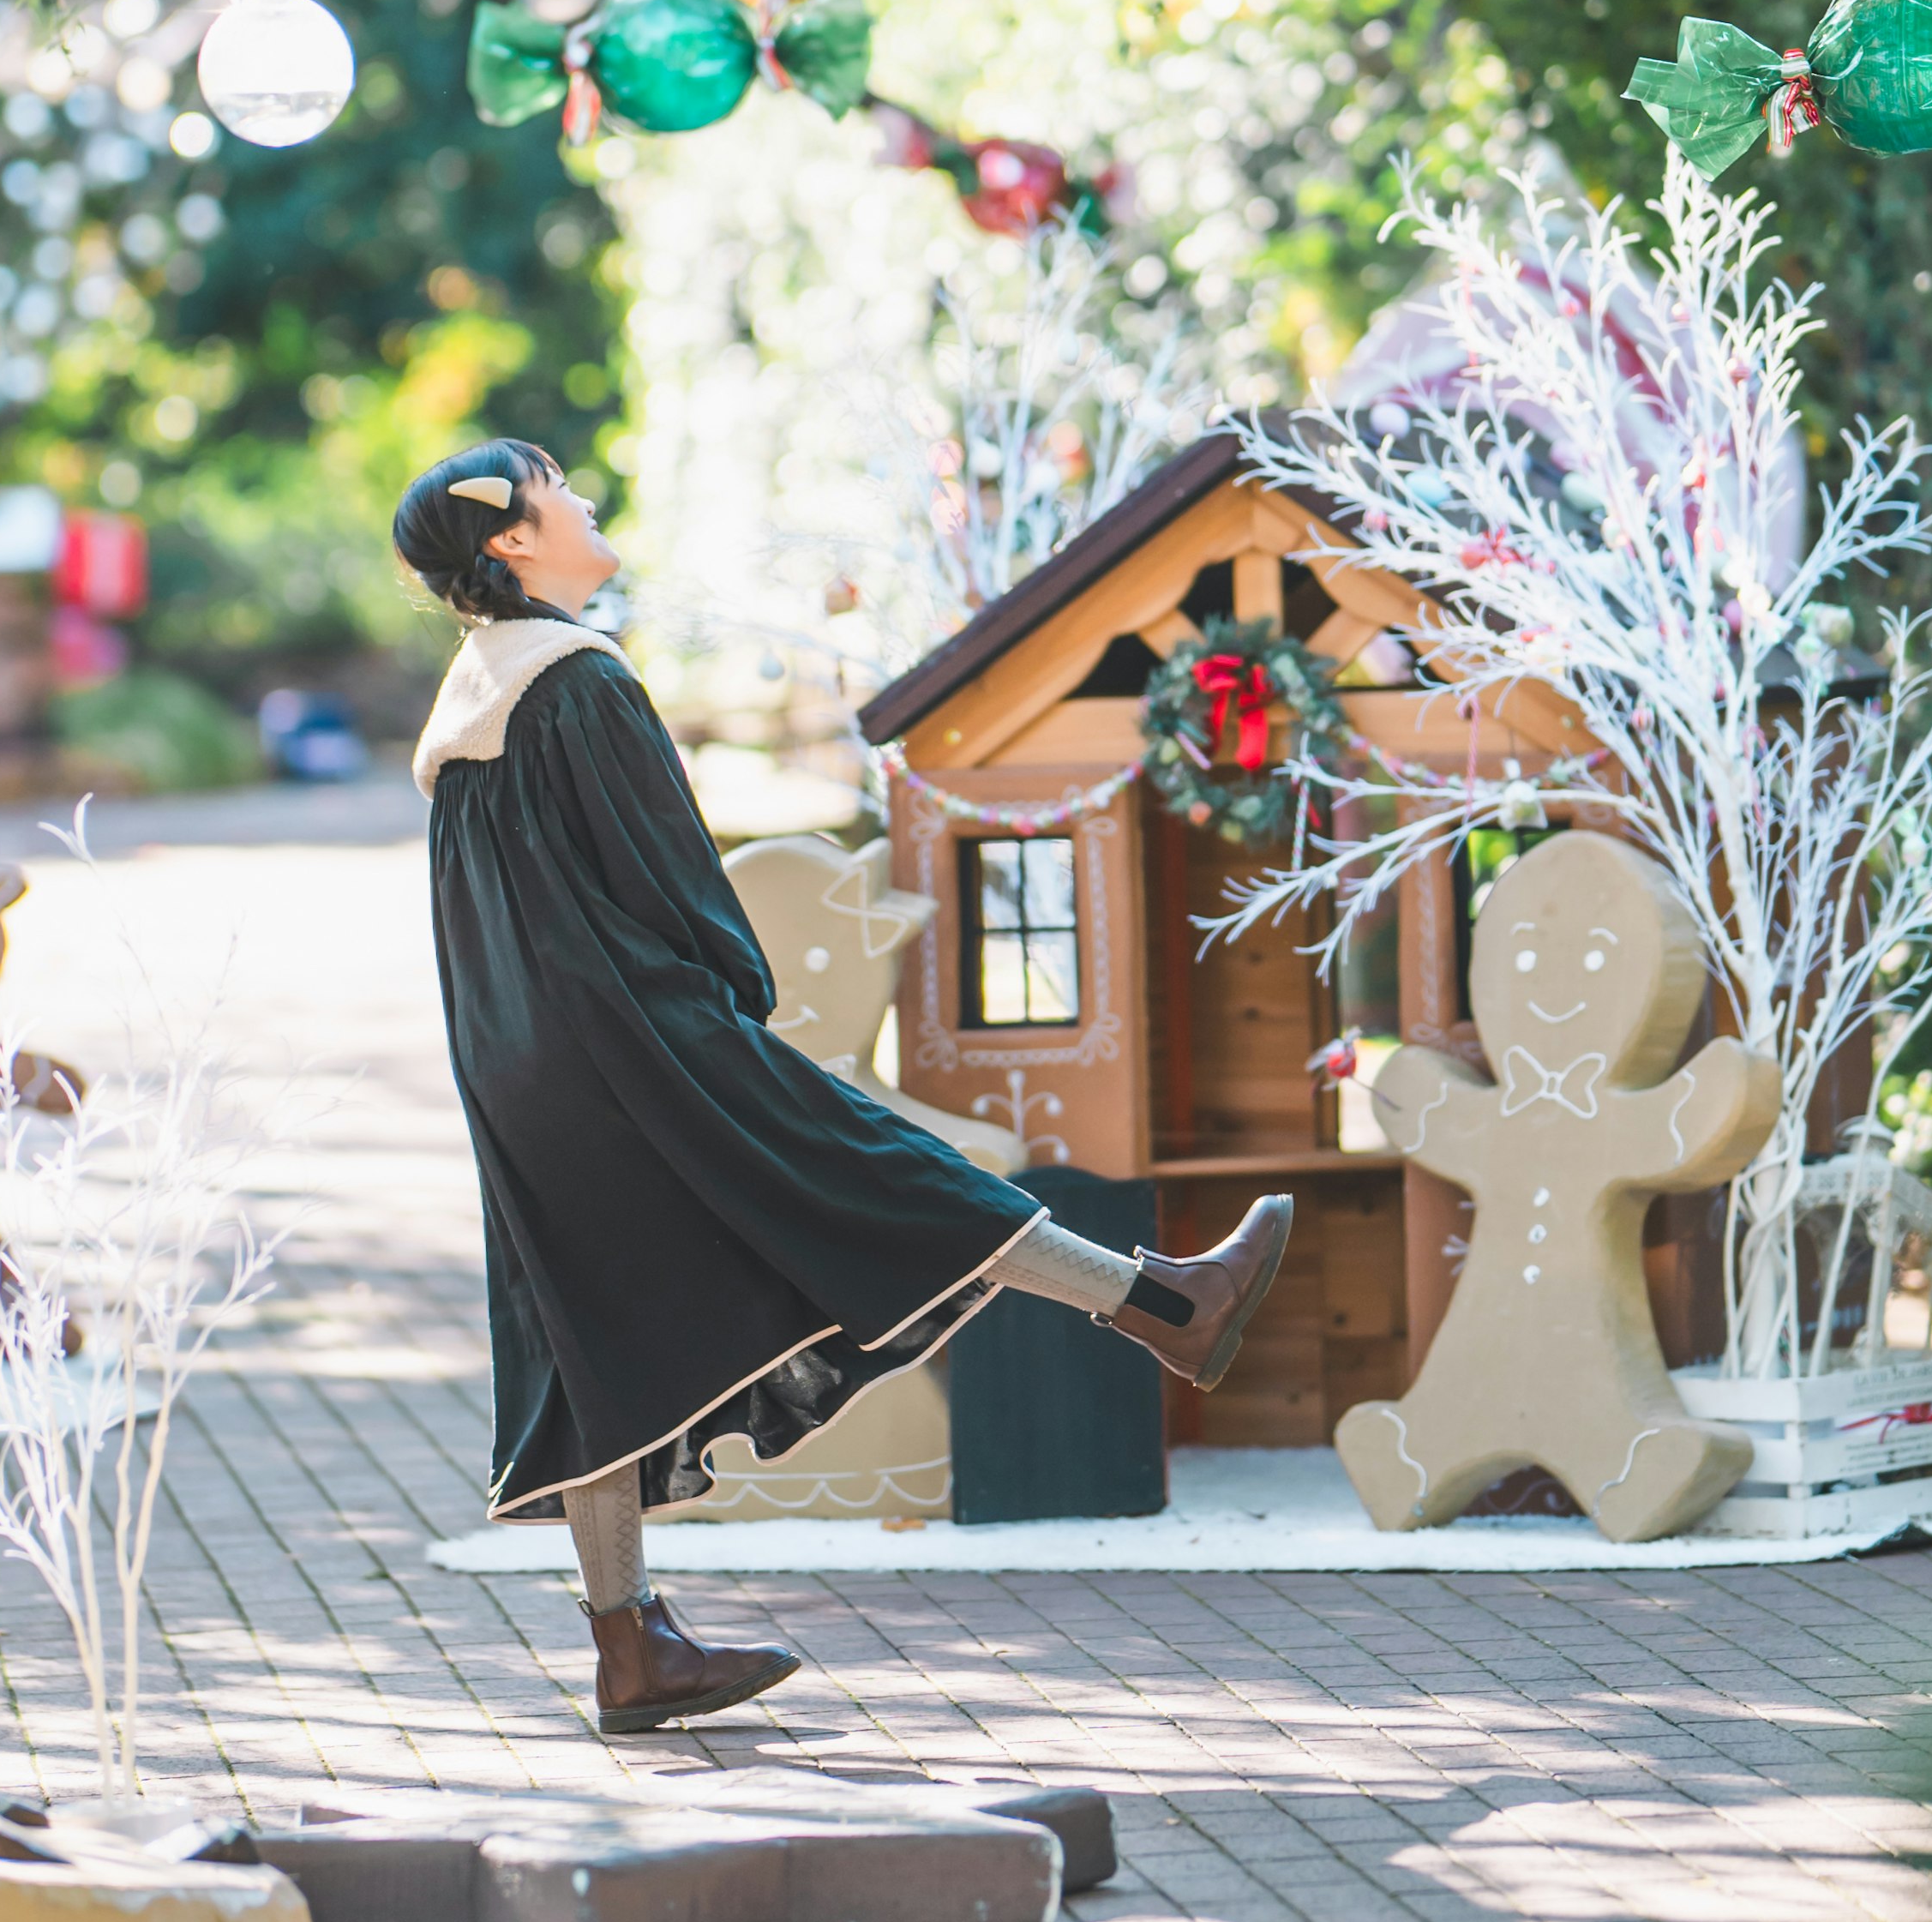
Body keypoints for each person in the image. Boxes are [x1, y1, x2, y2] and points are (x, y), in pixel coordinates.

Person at [395, 436, 1294, 1735]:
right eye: (560, 490)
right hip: (640, 1039)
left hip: (520, 1062)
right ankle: (1163, 1304)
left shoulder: (471, 704)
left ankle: (628, 1647)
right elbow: (666, 871)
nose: (586, 500)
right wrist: (731, 991)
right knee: (879, 1177)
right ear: (513, 544)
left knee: (585, 1331)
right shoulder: (578, 681)